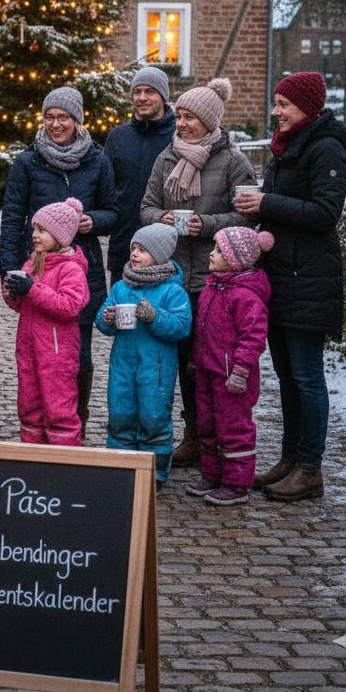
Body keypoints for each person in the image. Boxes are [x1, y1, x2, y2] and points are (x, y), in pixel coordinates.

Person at [234, 72, 346, 501]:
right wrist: (257, 210)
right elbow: (286, 208)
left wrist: (267, 203)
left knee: (306, 376)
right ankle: (289, 459)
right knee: (285, 375)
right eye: (276, 103)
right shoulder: (289, 147)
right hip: (282, 276)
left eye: (284, 105)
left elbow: (325, 212)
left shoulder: (326, 148)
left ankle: (310, 467)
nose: (276, 111)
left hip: (309, 278)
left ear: (307, 107)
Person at [138, 78, 256, 469]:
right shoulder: (166, 157)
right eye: (180, 117)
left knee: (205, 363)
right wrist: (164, 217)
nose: (182, 124)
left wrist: (204, 224)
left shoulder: (233, 161)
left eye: (190, 118)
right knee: (175, 360)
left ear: (209, 120)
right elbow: (147, 208)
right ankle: (184, 435)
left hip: (213, 278)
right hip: (170, 275)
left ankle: (212, 437)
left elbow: (247, 216)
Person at [0, 87, 117, 435]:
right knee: (38, 348)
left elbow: (114, 211)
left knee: (78, 351)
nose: (55, 124)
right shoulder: (28, 161)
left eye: (62, 117)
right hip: (36, 267)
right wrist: (8, 267)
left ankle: (73, 421)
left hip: (81, 268)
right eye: (49, 117)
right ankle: (39, 422)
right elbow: (13, 215)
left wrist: (92, 220)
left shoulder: (97, 161)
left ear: (78, 120)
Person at [96, 224, 192, 487]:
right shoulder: (120, 287)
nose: (135, 254)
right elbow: (103, 322)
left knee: (153, 417)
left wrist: (154, 316)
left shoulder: (173, 291)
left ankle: (155, 474)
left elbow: (181, 327)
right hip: (123, 365)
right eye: (134, 249)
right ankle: (120, 469)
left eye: (143, 250)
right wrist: (107, 319)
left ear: (160, 256)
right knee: (121, 413)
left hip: (157, 368)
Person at [187, 227, 274, 506]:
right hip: (207, 370)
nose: (211, 254)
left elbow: (253, 338)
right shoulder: (213, 286)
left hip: (232, 376)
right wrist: (196, 358)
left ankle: (237, 483)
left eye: (219, 251)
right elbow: (202, 329)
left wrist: (240, 370)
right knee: (208, 423)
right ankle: (212, 474)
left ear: (236, 259)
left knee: (234, 427)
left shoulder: (246, 296)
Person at [2, 197, 91, 446]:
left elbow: (69, 306)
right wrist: (12, 291)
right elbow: (20, 305)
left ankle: (63, 465)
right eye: (34, 229)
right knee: (29, 407)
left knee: (58, 408)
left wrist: (31, 289)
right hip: (29, 349)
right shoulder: (32, 263)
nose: (35, 235)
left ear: (60, 236)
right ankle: (33, 464)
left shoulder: (71, 269)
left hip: (57, 353)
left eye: (42, 230)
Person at [103, 67, 177, 284]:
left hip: (167, 247)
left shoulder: (179, 136)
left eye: (150, 92)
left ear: (163, 97)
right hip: (125, 244)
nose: (142, 98)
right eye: (137, 92)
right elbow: (106, 188)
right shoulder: (118, 137)